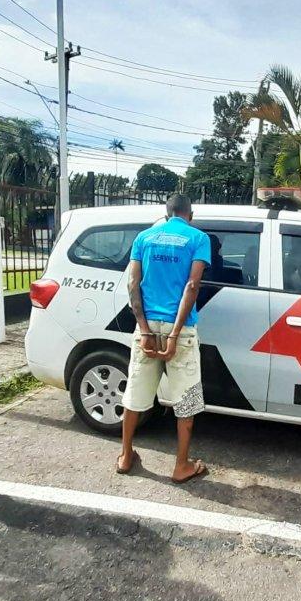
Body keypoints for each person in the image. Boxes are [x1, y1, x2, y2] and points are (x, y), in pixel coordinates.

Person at [118, 193, 210, 483]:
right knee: (186, 400)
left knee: (135, 392)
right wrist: (173, 334)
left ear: (167, 213)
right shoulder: (198, 238)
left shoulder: (144, 237)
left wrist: (144, 328)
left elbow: (133, 284)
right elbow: (192, 286)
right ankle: (181, 466)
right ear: (190, 215)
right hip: (179, 330)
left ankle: (124, 455)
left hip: (146, 328)